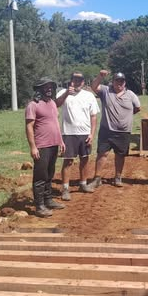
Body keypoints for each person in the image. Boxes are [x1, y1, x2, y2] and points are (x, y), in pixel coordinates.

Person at [88, 70, 141, 188]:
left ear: (125, 83)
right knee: (102, 154)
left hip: (123, 132)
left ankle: (118, 177)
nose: (119, 83)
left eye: (122, 81)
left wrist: (126, 117)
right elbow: (93, 86)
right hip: (107, 130)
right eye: (117, 80)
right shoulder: (106, 91)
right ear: (113, 81)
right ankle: (97, 178)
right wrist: (100, 76)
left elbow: (137, 108)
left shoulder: (131, 95)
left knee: (120, 155)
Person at [25, 77, 66, 218]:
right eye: (45, 86)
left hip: (54, 144)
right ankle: (39, 206)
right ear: (39, 89)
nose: (49, 89)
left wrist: (61, 141)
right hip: (41, 146)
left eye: (51, 87)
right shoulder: (33, 105)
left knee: (49, 174)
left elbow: (55, 123)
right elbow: (29, 126)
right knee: (40, 177)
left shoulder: (53, 103)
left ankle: (48, 200)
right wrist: (33, 147)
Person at [55, 72, 100, 200]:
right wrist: (66, 94)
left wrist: (92, 134)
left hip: (85, 133)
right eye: (75, 80)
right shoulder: (63, 93)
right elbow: (56, 104)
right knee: (68, 161)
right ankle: (65, 188)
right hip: (68, 133)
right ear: (71, 81)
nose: (77, 82)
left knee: (85, 159)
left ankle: (83, 184)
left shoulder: (89, 96)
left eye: (80, 80)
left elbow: (93, 116)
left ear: (83, 82)